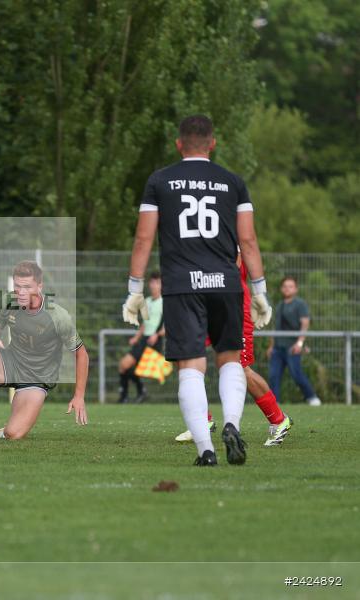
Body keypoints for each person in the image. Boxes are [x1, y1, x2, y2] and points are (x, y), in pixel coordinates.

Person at [124, 114, 272, 466]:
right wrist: (261, 291)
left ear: (179, 144)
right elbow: (248, 240)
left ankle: (206, 451)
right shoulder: (233, 182)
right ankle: (232, 425)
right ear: (213, 143)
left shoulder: (160, 181)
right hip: (225, 283)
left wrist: (134, 289)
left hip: (181, 285)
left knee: (191, 367)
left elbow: (144, 237)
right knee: (230, 360)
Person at [0, 260, 88, 440]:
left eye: (27, 287)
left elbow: (81, 354)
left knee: (14, 434)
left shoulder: (58, 316)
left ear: (40, 286)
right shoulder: (10, 301)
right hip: (11, 363)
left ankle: (1, 431)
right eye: (17, 286)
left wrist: (79, 395)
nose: (21, 291)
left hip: (38, 377)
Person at [175, 254, 293, 446]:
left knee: (239, 367)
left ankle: (279, 420)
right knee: (186, 358)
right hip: (206, 305)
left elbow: (228, 270)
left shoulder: (228, 230)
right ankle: (203, 420)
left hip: (233, 307)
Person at [267, 276, 321, 406]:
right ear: (281, 289)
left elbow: (305, 323)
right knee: (274, 376)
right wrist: (271, 346)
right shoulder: (279, 305)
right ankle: (275, 403)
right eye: (285, 286)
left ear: (296, 289)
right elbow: (276, 328)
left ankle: (312, 398)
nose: (287, 289)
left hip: (292, 347)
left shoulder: (300, 304)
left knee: (296, 374)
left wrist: (300, 343)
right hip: (278, 348)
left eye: (290, 286)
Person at [117, 271, 164, 403]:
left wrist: (157, 334)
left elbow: (168, 325)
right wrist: (136, 338)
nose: (154, 285)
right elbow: (145, 324)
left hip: (154, 342)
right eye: (152, 282)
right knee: (123, 365)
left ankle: (134, 393)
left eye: (157, 282)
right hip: (143, 340)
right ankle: (128, 395)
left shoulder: (165, 302)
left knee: (131, 368)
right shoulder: (147, 301)